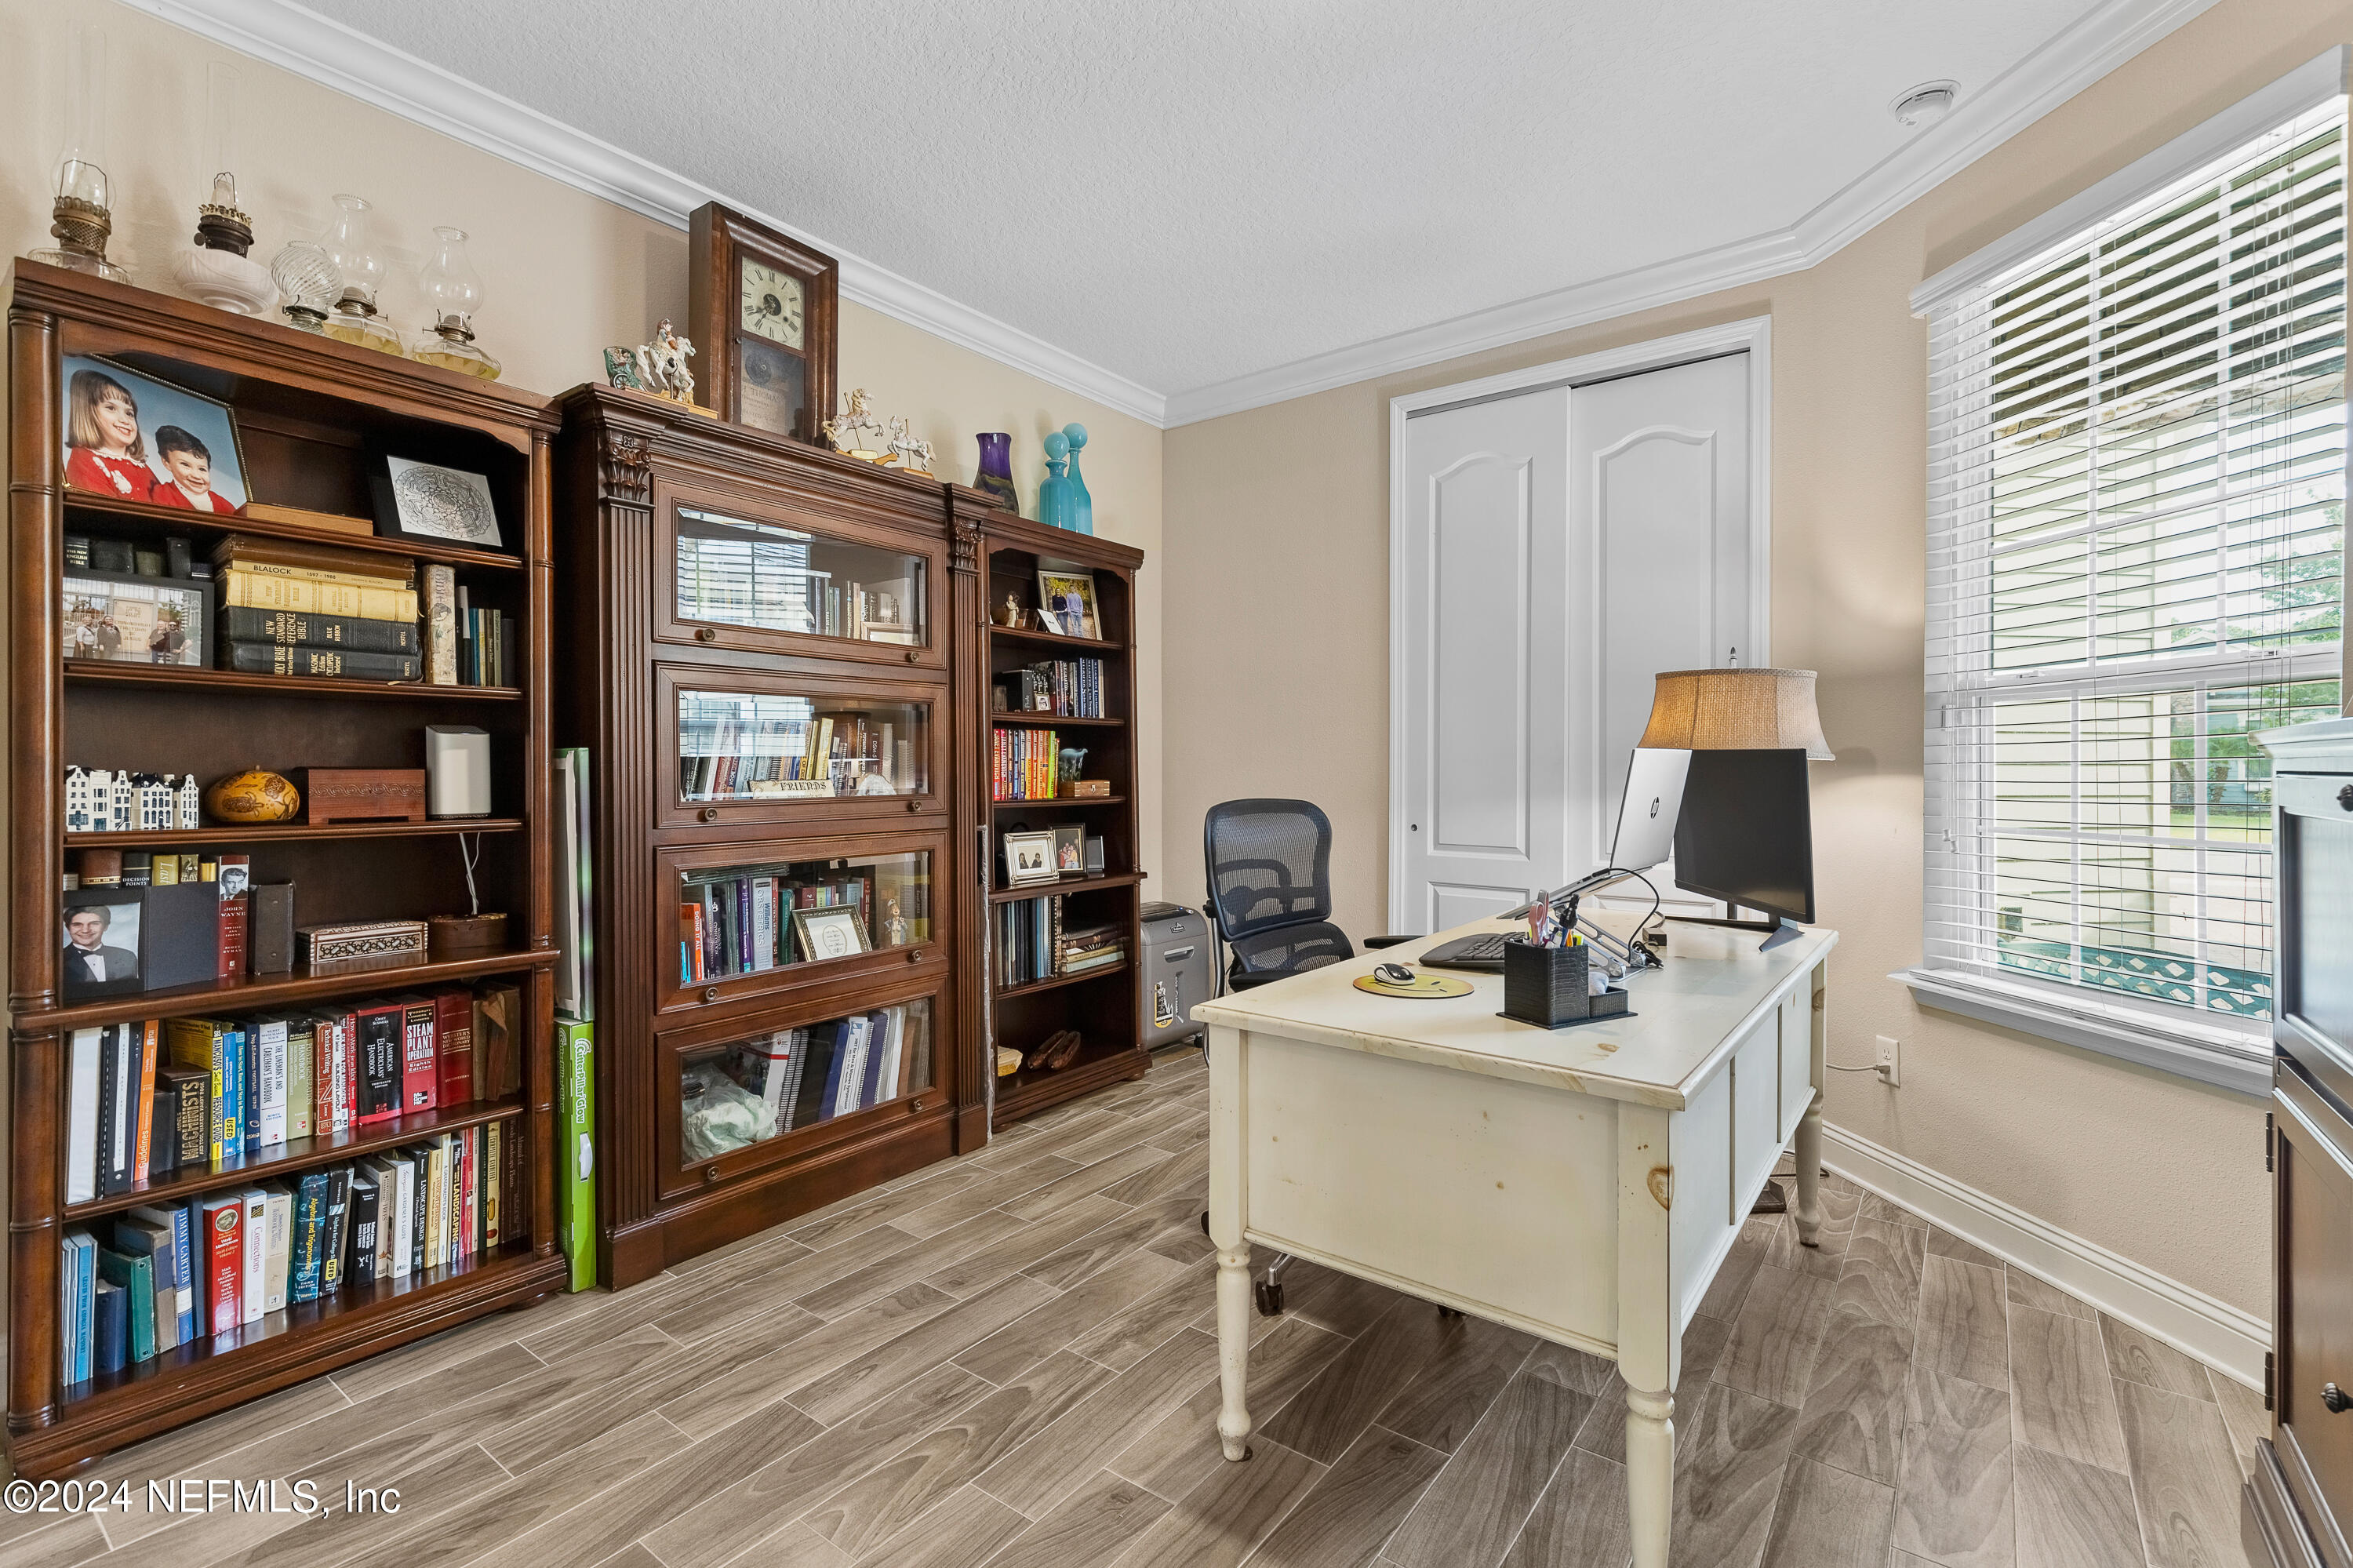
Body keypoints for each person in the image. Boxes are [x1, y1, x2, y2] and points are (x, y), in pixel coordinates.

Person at [63, 368, 153, 500]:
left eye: (129, 413)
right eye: (111, 408)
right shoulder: (85, 461)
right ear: (88, 413)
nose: (125, 420)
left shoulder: (139, 465)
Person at [147, 424, 239, 512]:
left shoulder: (225, 506)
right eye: (185, 465)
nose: (196, 476)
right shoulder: (162, 494)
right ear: (167, 463)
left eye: (202, 469)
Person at [61, 905, 137, 984]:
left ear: (105, 927)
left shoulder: (127, 957)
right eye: (77, 925)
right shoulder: (58, 960)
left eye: (94, 923)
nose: (85, 930)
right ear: (68, 928)